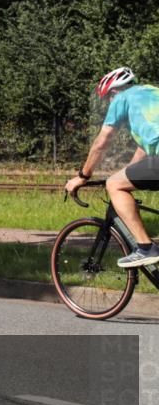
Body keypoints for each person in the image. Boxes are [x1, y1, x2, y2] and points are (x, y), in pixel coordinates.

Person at [66, 66, 159, 268]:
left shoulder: (121, 98)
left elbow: (102, 141)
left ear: (114, 91)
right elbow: (143, 152)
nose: (109, 103)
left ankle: (146, 248)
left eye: (107, 98)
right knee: (119, 180)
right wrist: (123, 174)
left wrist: (83, 176)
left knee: (115, 185)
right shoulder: (151, 93)